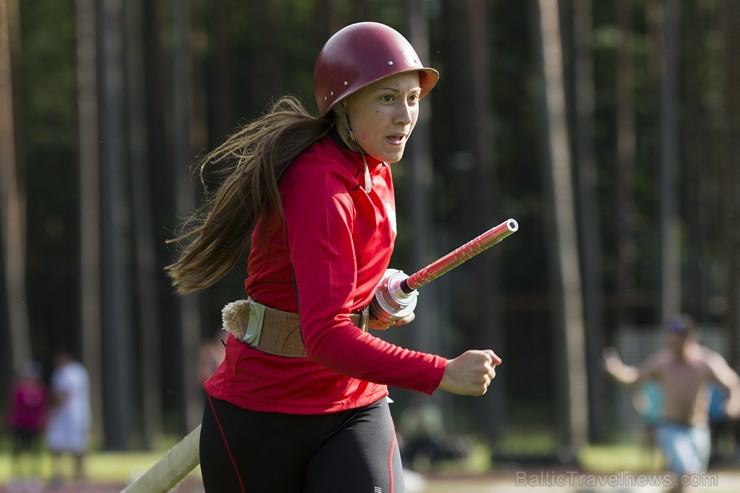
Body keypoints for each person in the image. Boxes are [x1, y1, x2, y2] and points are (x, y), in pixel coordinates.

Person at [166, 21, 502, 492]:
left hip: (353, 408)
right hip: (262, 416)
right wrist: (440, 373)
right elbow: (324, 335)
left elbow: (333, 285)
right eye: (387, 98)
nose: (404, 116)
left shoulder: (376, 167)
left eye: (412, 99)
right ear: (342, 106)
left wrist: (378, 293)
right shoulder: (318, 185)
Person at [603, 314, 740, 493]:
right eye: (671, 336)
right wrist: (615, 370)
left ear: (691, 337)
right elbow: (633, 378)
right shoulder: (663, 362)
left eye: (679, 336)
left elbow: (733, 384)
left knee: (687, 482)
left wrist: (732, 404)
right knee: (684, 475)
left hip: (698, 429)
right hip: (670, 428)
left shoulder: (706, 362)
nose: (674, 341)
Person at [44, 348, 91, 487]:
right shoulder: (61, 372)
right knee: (57, 445)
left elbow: (64, 394)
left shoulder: (73, 372)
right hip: (64, 416)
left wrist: (50, 407)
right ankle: (60, 475)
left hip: (74, 416)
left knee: (78, 446)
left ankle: (80, 476)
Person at [5, 361, 48, 491]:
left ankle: (34, 478)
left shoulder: (41, 390)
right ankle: (16, 478)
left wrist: (42, 424)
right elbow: (13, 407)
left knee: (35, 453)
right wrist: (10, 423)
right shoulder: (19, 390)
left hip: (34, 426)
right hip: (20, 425)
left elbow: (43, 409)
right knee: (17, 453)